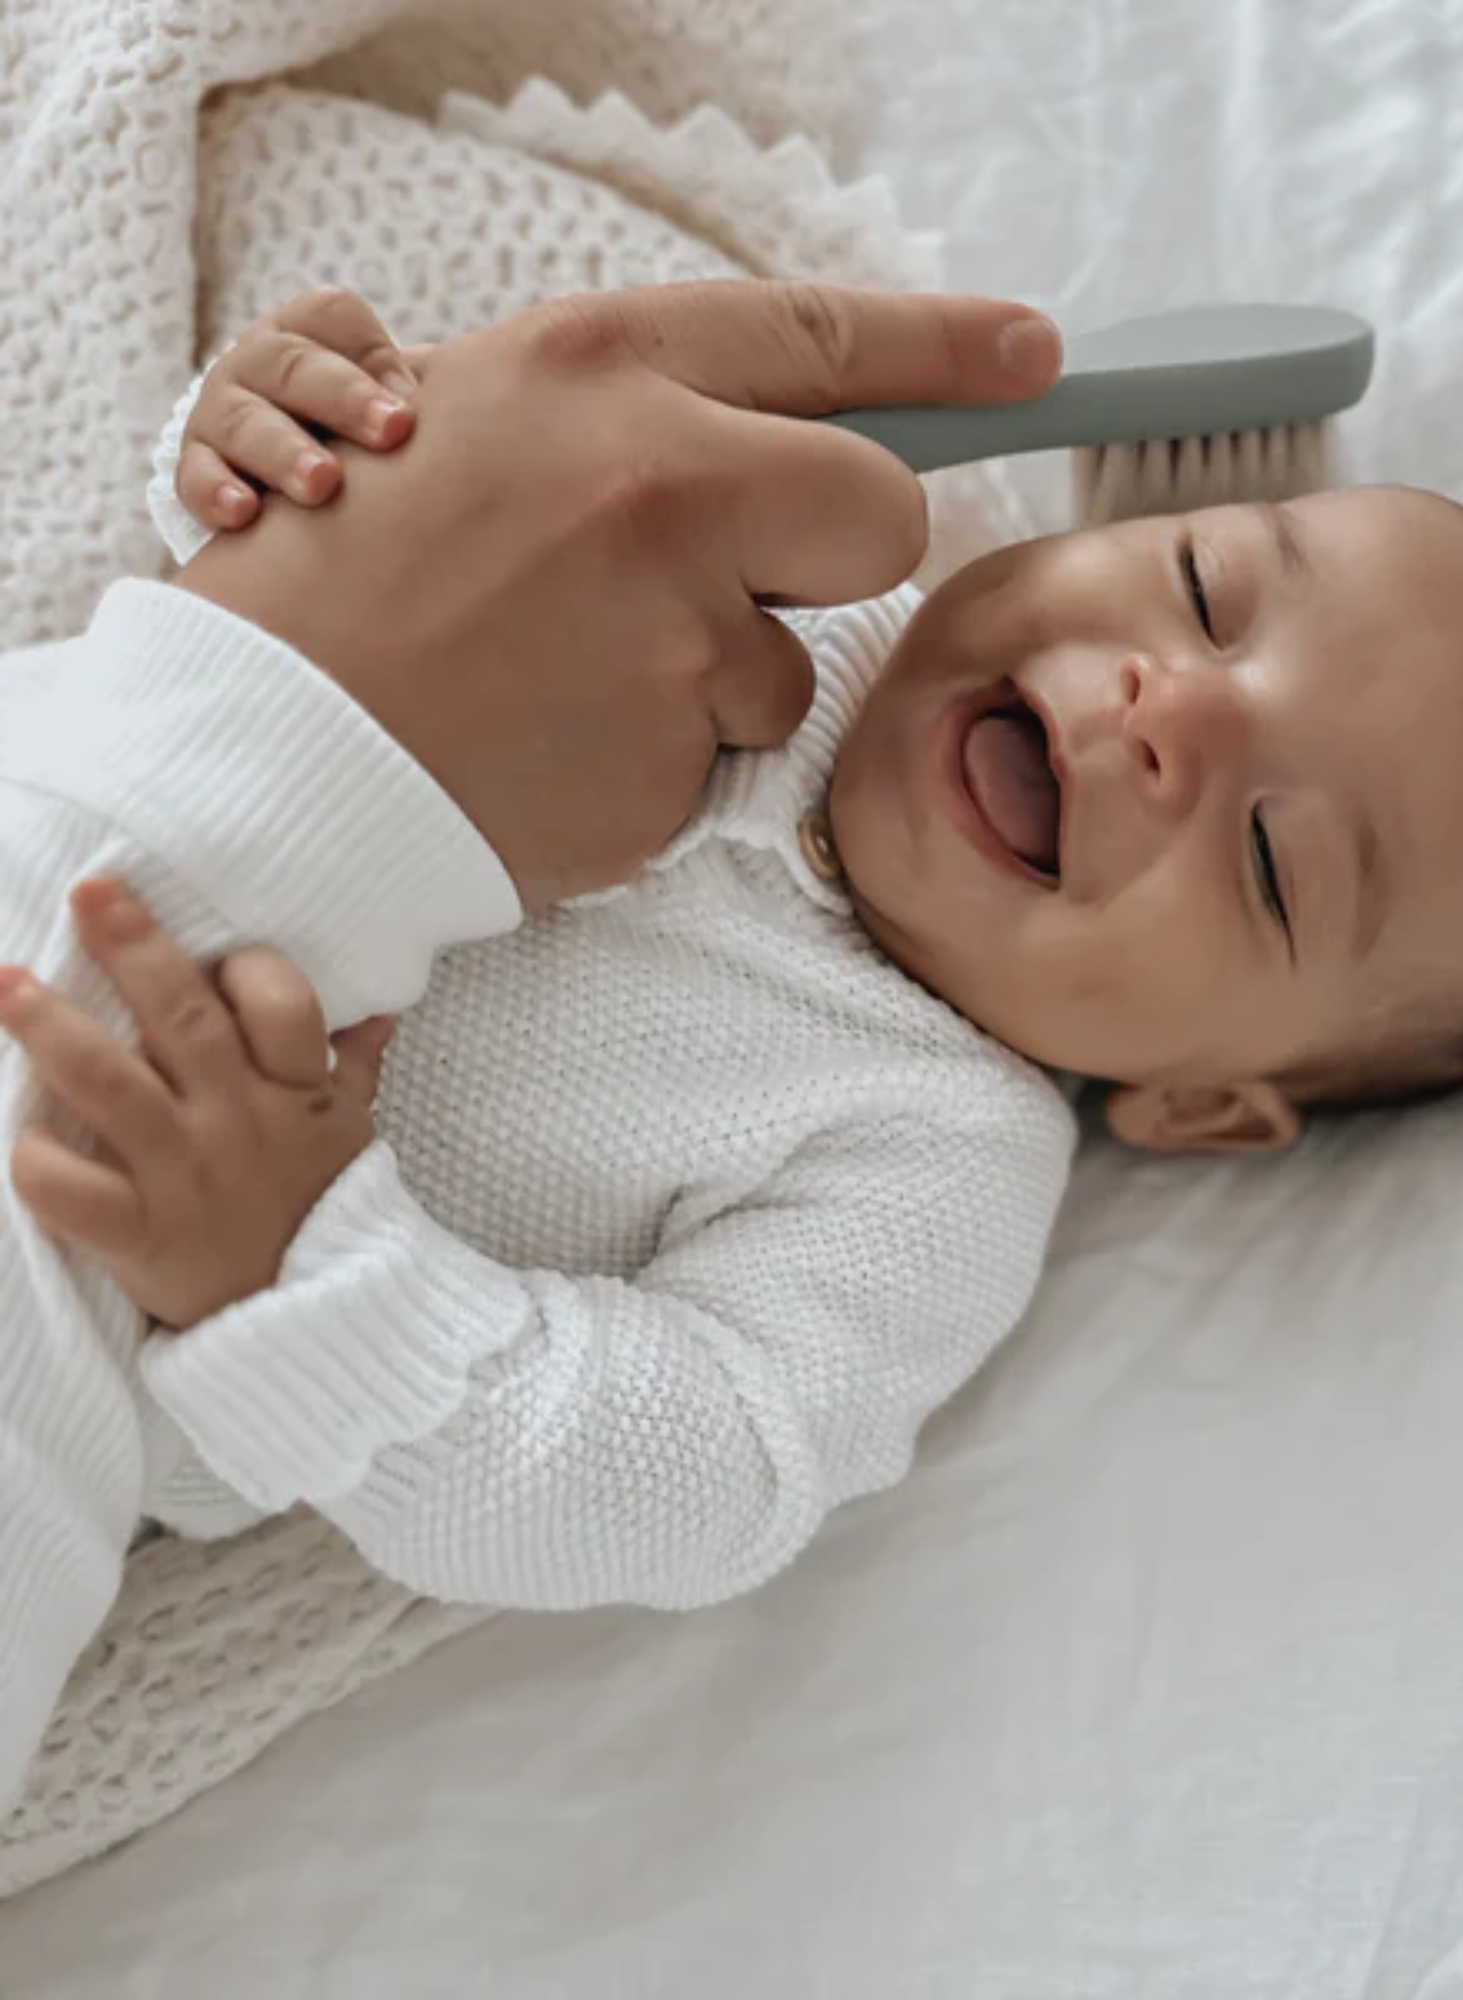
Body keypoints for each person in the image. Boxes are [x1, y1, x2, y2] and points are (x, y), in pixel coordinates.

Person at [0, 278, 1067, 1815]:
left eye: (1270, 862)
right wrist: (288, 446)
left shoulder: (946, 1146)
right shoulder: (792, 593)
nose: (1174, 716)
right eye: (1204, 592)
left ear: (1211, 1093)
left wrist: (302, 1279)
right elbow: (371, 529)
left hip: (89, 1284)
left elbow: (702, 1472)